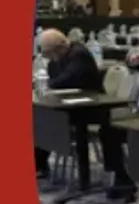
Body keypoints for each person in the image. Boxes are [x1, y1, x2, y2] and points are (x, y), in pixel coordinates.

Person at [34, 29, 104, 178]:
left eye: (49, 53)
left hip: (91, 107)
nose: (49, 58)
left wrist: (45, 85)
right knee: (39, 118)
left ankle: (82, 177)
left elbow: (67, 78)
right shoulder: (58, 59)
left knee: (46, 120)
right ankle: (39, 165)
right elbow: (54, 78)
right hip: (68, 105)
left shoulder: (79, 54)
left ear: (60, 47)